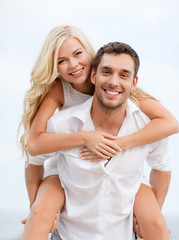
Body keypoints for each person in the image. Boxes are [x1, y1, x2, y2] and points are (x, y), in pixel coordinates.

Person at [19, 26, 178, 239]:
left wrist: (119, 145)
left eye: (77, 54)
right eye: (61, 60)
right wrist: (86, 137)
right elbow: (35, 146)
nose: (73, 65)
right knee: (41, 212)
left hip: (124, 170)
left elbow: (171, 124)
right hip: (66, 163)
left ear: (89, 54)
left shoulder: (127, 93)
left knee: (155, 222)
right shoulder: (59, 90)